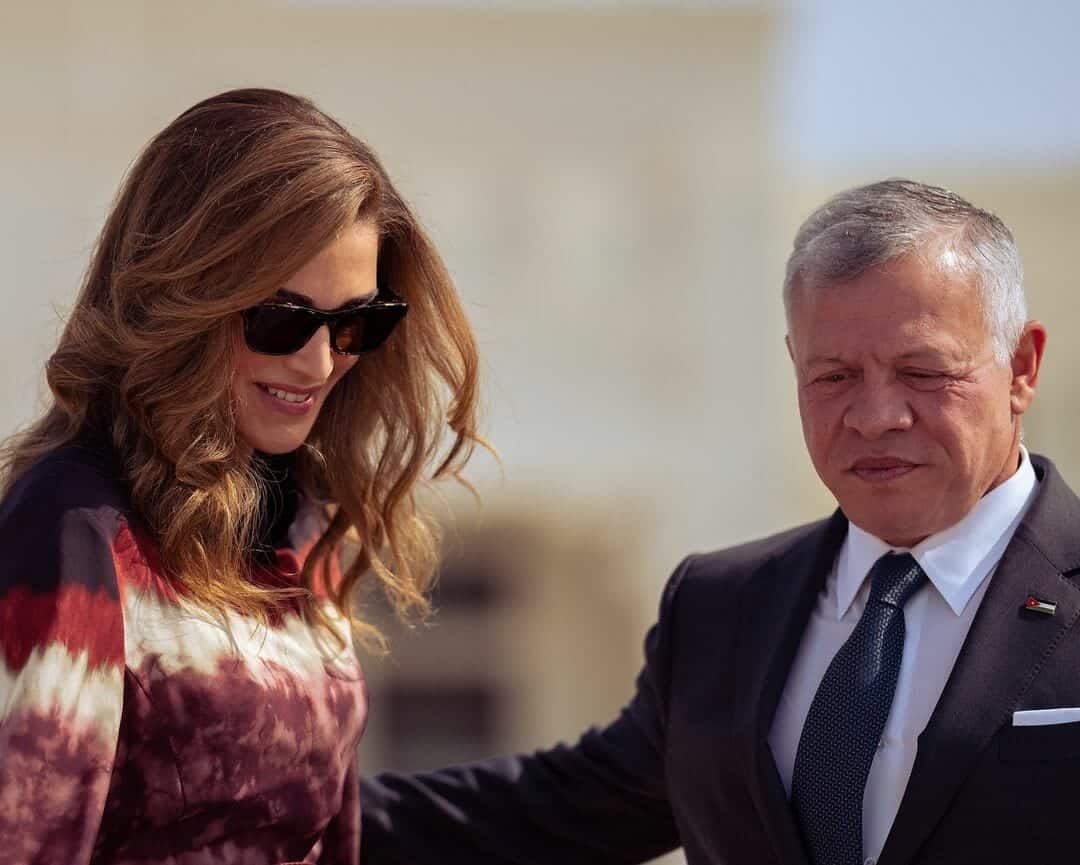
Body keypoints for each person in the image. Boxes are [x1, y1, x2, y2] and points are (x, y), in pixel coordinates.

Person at [359, 179, 1076, 865]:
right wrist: (302, 814)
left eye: (923, 372)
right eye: (834, 377)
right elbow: (551, 812)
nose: (875, 416)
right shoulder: (720, 607)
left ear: (1021, 367)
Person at [0, 88, 482, 864]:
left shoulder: (301, 525)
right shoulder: (75, 533)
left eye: (356, 323)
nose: (319, 363)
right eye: (281, 319)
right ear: (183, 300)